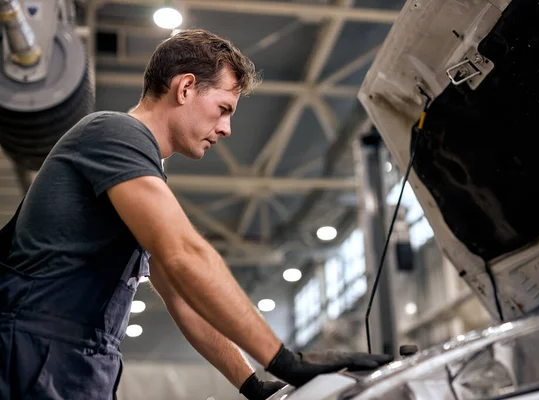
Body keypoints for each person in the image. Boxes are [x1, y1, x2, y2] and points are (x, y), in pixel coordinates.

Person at [0, 29, 393, 400]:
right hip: (36, 354)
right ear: (185, 88)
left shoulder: (135, 172)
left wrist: (253, 385)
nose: (226, 129)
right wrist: (286, 360)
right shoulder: (114, 133)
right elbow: (184, 254)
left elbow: (182, 296)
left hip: (73, 364)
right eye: (223, 109)